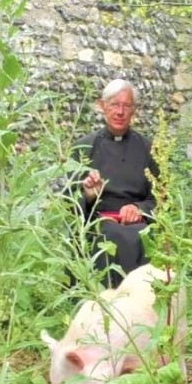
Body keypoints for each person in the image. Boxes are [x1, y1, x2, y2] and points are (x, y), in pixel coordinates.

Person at [70, 78, 160, 288]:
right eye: (114, 104)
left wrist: (139, 208)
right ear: (102, 106)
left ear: (134, 110)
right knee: (110, 237)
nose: (120, 112)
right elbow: (68, 201)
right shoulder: (83, 147)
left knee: (140, 237)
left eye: (126, 105)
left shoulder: (148, 149)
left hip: (139, 224)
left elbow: (160, 197)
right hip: (98, 223)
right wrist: (89, 195)